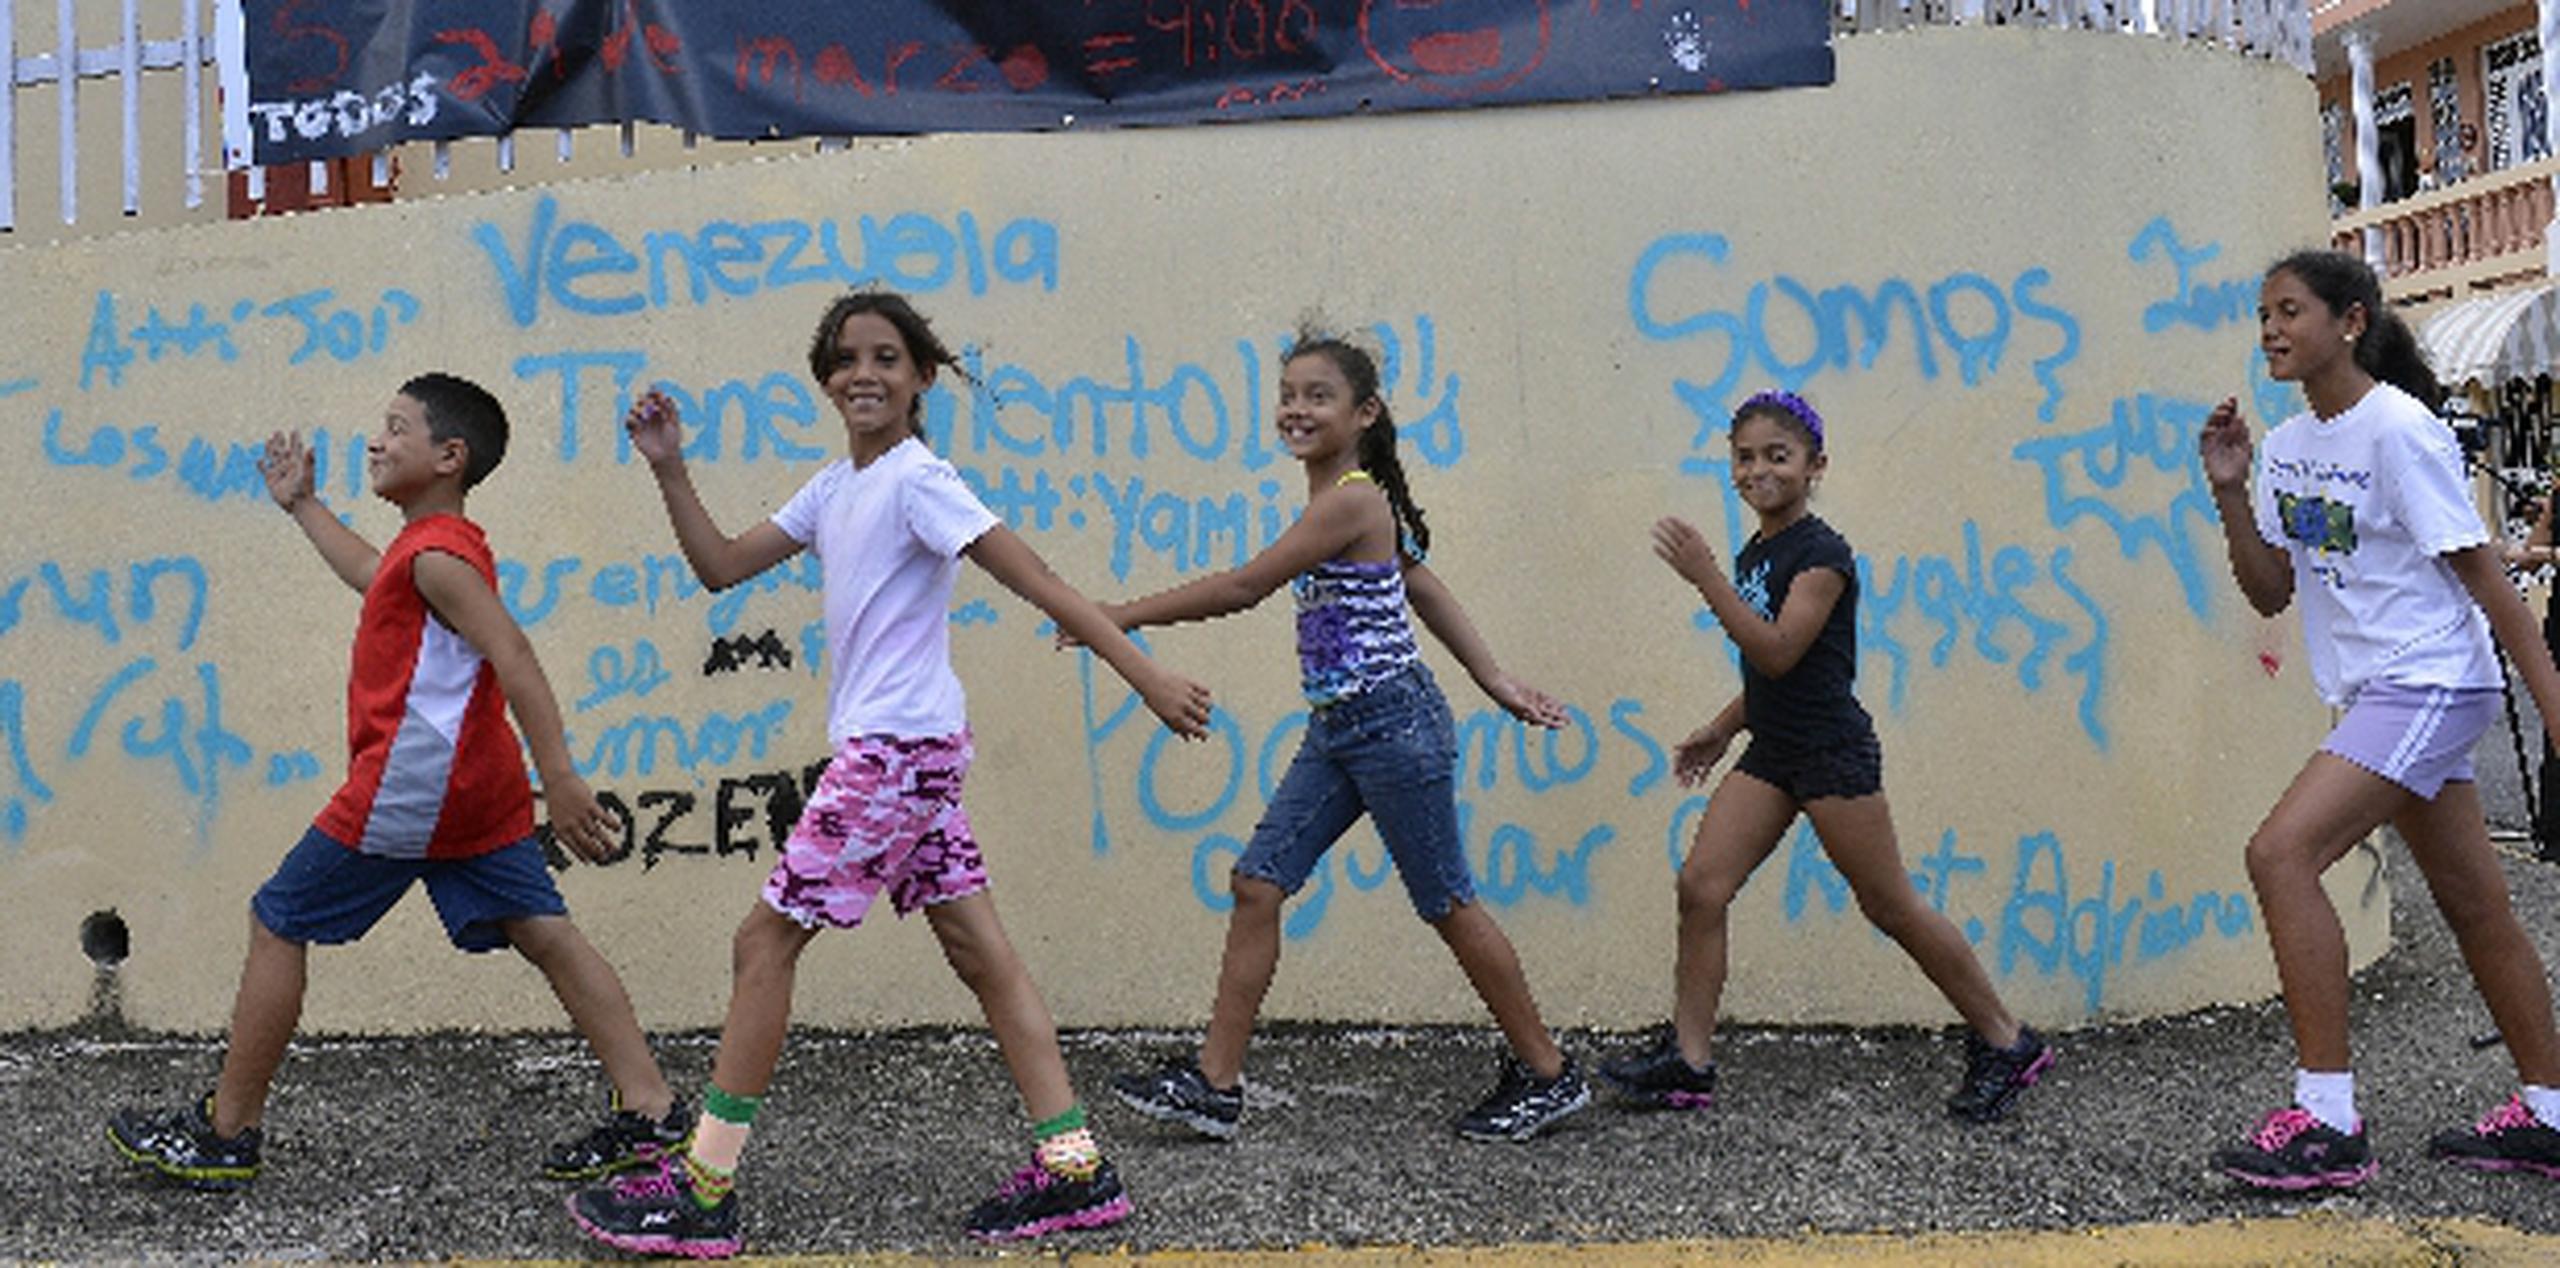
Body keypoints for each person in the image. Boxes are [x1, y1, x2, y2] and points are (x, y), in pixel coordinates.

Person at [567, 292, 1214, 1257]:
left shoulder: (921, 481)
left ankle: (702, 1187)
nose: (862, 373)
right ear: (826, 380)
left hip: (893, 757)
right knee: (982, 955)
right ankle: (1076, 1168)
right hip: (911, 757)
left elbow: (1034, 579)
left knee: (761, 943)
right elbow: (718, 566)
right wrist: (670, 467)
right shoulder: (835, 489)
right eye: (844, 359)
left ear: (919, 378)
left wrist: (1146, 675)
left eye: (885, 358)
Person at [106, 373, 689, 1190]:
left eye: (395, 428)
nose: (376, 442)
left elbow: (513, 654)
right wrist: (303, 505)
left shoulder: (441, 560)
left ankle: (226, 1130)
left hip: (414, 790)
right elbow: (375, 573)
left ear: (449, 456)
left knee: (278, 919)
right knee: (545, 931)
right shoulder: (434, 549)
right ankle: (654, 1109)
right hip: (474, 790)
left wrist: (561, 777)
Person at [1104, 332, 1590, 1145]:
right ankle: (1214, 1085)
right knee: (1259, 883)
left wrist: (1114, 617)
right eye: (1288, 393)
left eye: (1317, 394)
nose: (1296, 407)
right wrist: (1493, 680)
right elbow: (1422, 584)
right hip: (1342, 729)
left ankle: (1549, 1074)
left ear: (1363, 413)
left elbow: (1244, 586)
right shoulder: (1351, 499)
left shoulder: (1351, 500)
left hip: (1393, 728)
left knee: (1448, 903)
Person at [2202, 248, 2560, 1190]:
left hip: (2432, 682)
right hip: (2379, 693)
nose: (2272, 330)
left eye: (2290, 311)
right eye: (2264, 314)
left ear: (2350, 321)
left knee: (2280, 854)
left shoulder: (2400, 432)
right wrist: (2232, 491)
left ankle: (2328, 1123)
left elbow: (2491, 584)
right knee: (2477, 904)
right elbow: (2272, 589)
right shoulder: (2284, 449)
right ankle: (2552, 1115)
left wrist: (2558, 715)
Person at [1599, 390, 2053, 1124]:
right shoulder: (1759, 552)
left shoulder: (1821, 555)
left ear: (1816, 467)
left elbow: (1780, 652)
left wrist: (1706, 576)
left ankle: (2008, 1040)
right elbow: (1773, 673)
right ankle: (1688, 1061)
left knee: (1890, 903)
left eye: (1778, 456)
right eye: (1744, 458)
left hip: (1830, 754)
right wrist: (1721, 729)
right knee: (1702, 886)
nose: (1758, 471)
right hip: (1774, 751)